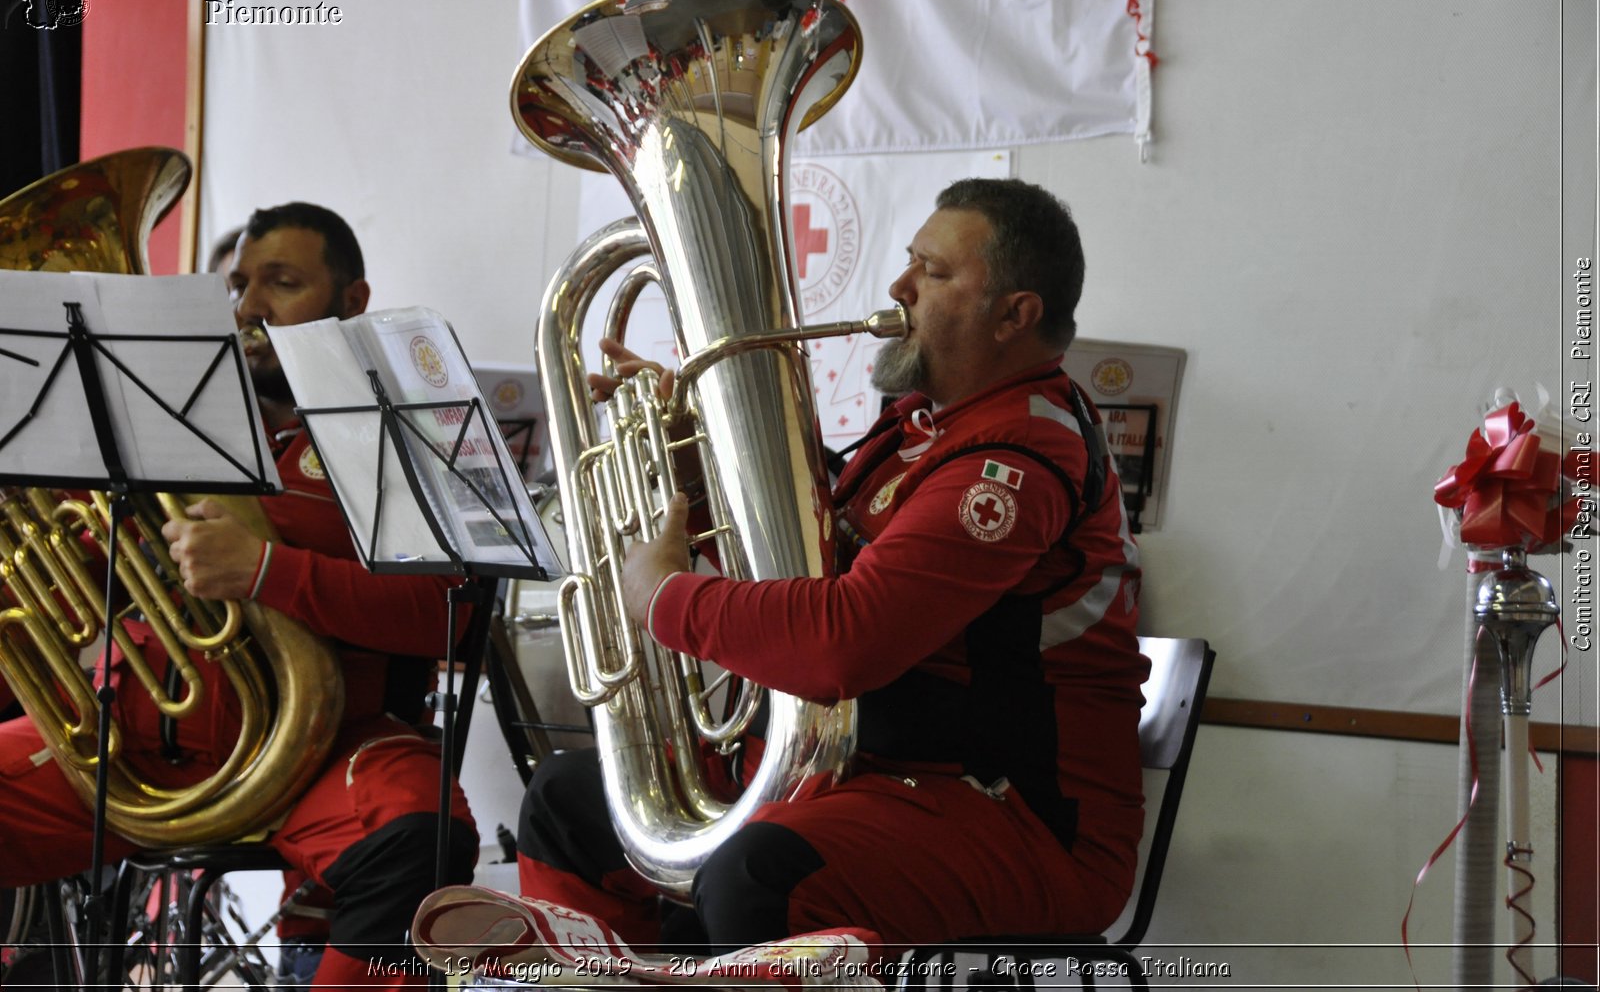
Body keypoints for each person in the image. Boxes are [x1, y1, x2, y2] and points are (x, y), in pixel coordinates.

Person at [509, 176, 1148, 952]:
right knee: (566, 801)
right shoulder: (918, 426)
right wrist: (690, 481)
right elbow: (806, 570)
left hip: (1011, 811)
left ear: (1016, 315)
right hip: (873, 768)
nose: (898, 286)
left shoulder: (1022, 454)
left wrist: (666, 597)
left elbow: (847, 637)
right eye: (911, 261)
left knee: (756, 878)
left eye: (934, 273)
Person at [0, 202, 477, 988]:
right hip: (128, 745)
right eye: (240, 285)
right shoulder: (164, 429)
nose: (250, 306)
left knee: (420, 841)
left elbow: (444, 618)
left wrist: (263, 569)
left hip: (320, 748)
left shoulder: (396, 437)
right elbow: (76, 579)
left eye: (282, 283)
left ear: (351, 302)